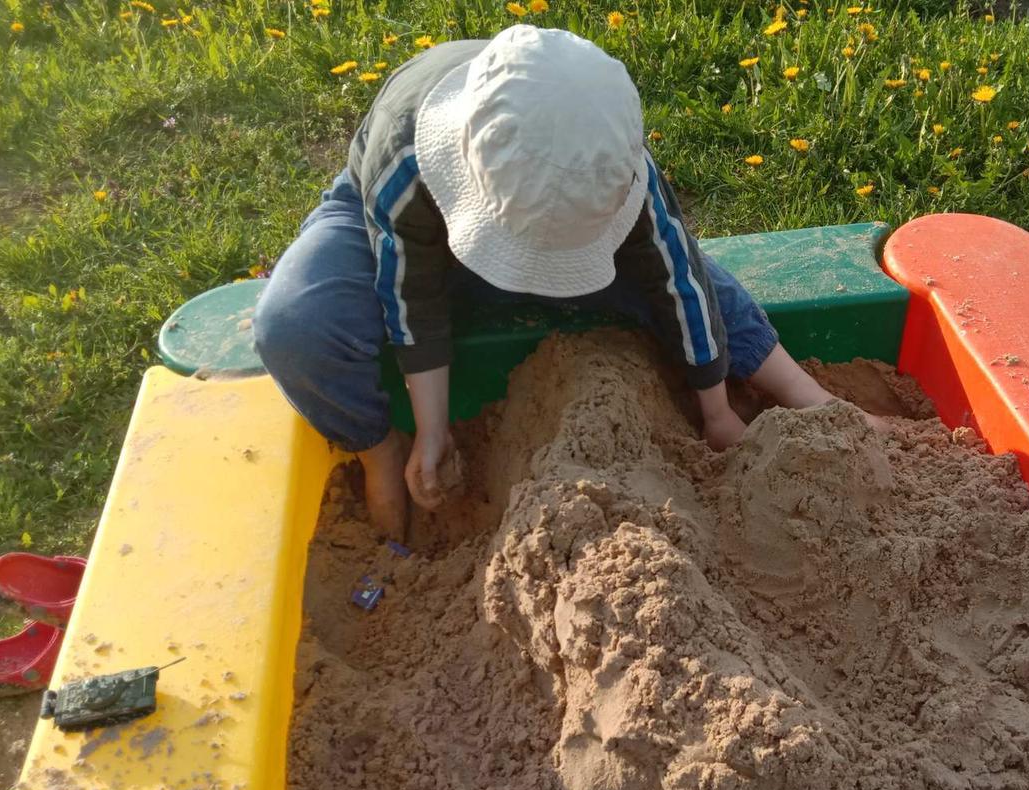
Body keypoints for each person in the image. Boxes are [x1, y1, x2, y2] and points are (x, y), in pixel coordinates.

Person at [254, 25, 838, 541]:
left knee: (697, 281)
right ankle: (379, 452)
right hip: (394, 232)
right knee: (294, 324)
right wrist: (431, 431)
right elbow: (411, 293)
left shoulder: (610, 162)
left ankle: (806, 394)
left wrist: (715, 412)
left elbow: (675, 277)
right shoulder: (405, 154)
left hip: (571, 236)